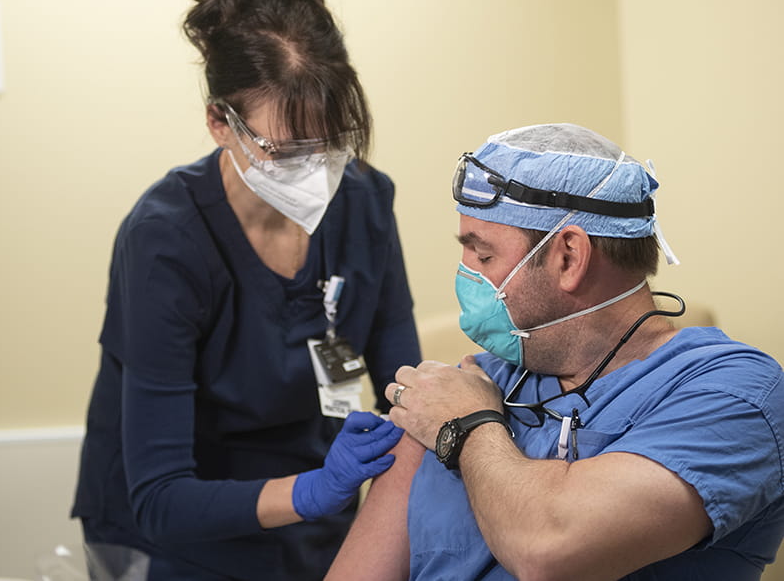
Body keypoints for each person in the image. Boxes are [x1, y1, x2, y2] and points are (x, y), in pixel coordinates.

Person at [326, 123, 784, 580]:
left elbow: (549, 550)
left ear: (569, 256)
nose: (465, 276)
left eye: (484, 257)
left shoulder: (737, 396)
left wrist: (469, 426)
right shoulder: (472, 383)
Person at [70, 0, 421, 579]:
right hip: (179, 532)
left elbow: (401, 389)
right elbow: (160, 498)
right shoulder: (165, 241)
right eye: (283, 151)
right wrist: (313, 490)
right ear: (218, 123)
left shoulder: (365, 201)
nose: (315, 171)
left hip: (317, 517)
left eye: (330, 143)